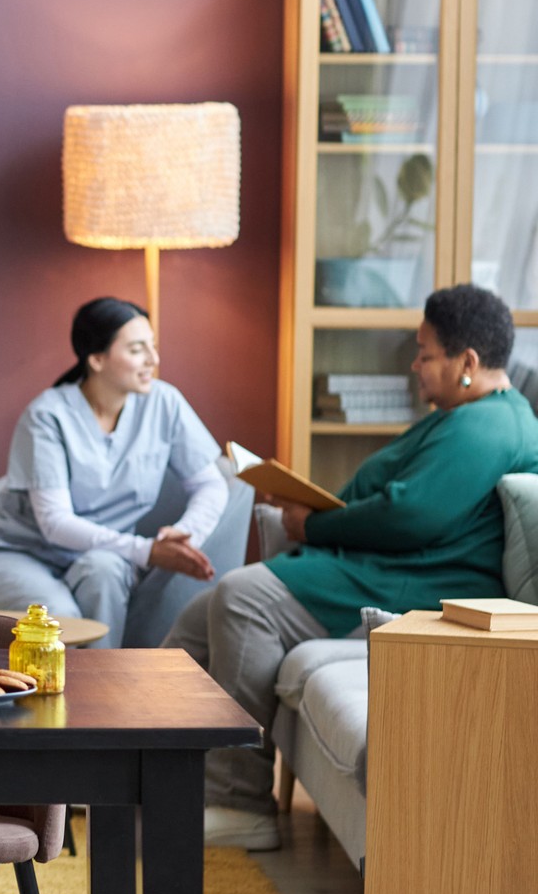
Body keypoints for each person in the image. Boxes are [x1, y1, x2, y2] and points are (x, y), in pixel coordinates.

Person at [169, 284, 538, 851]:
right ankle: (153, 777)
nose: (415, 364)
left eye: (426, 352)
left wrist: (313, 526)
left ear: (468, 362)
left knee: (243, 598)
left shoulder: (491, 425)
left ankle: (241, 804)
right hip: (386, 565)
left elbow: (412, 514)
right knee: (200, 616)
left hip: (420, 584)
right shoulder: (468, 416)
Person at [0, 297, 229, 648]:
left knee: (106, 572)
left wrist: (185, 535)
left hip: (101, 553)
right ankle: (56, 698)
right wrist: (147, 550)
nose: (154, 360)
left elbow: (210, 483)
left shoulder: (164, 403)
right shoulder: (47, 416)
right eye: (138, 349)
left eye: (153, 347)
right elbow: (54, 522)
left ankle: (104, 695)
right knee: (58, 618)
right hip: (22, 554)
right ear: (96, 359)